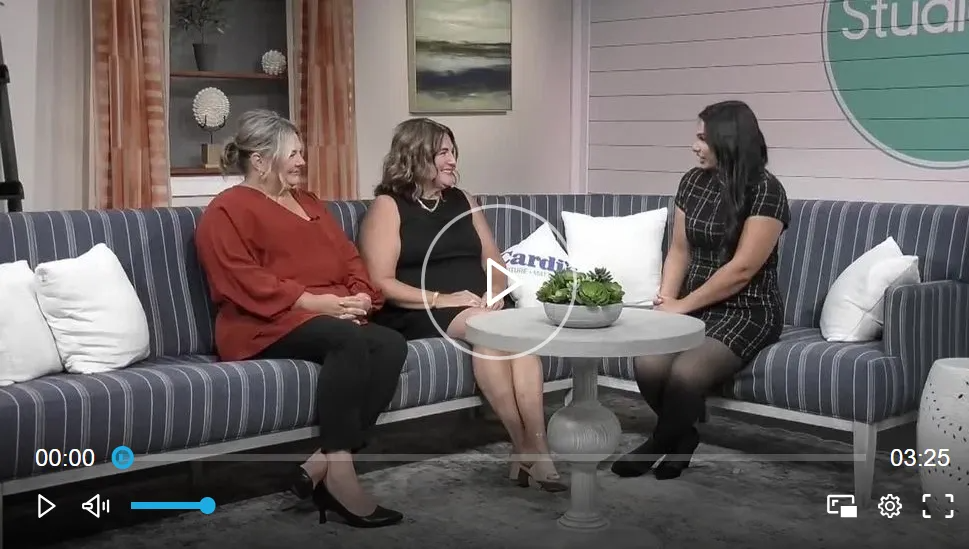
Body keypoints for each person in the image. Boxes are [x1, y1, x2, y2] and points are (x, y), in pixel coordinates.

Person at [194, 109, 408, 528]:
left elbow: (348, 256)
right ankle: (342, 476)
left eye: (301, 153)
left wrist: (362, 296)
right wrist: (315, 303)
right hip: (260, 323)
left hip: (330, 311)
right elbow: (239, 278)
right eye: (292, 153)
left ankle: (320, 463)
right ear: (259, 160)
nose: (301, 161)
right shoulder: (226, 210)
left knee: (389, 343)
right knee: (347, 341)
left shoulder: (309, 202)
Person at [357, 118, 566, 492]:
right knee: (492, 329)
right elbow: (381, 283)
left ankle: (532, 449)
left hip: (477, 307)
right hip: (418, 309)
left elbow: (494, 262)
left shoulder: (463, 200)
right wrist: (445, 299)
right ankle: (530, 449)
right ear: (415, 156)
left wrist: (497, 292)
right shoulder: (388, 206)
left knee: (506, 334)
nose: (452, 160)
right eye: (443, 153)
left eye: (453, 152)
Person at [611, 100, 790, 480]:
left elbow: (741, 270)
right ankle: (684, 437)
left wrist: (683, 305)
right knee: (648, 362)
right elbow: (679, 249)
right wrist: (667, 303)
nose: (695, 146)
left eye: (702, 138)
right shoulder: (692, 181)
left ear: (727, 140)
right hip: (693, 304)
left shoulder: (767, 191)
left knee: (686, 375)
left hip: (747, 309)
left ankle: (657, 443)